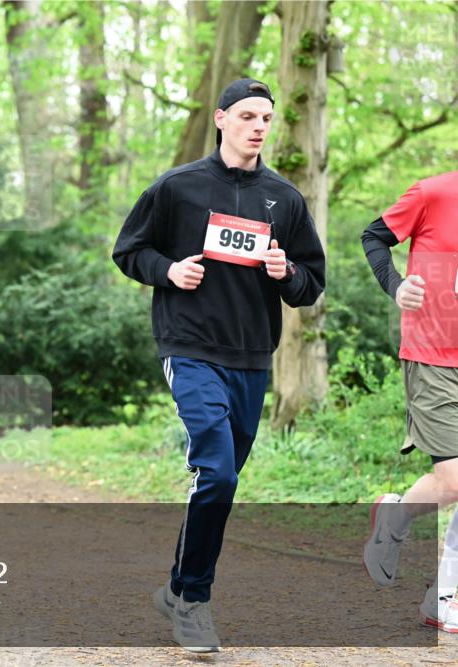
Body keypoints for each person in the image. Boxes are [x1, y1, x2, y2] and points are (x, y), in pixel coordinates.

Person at [111, 78, 326, 652]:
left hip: (253, 356)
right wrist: (169, 272)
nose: (260, 126)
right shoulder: (179, 187)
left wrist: (287, 273)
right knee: (218, 470)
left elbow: (311, 284)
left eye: (268, 118)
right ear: (221, 118)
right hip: (190, 347)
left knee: (222, 484)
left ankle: (180, 589)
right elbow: (129, 249)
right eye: (249, 115)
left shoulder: (284, 198)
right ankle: (196, 603)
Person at [360, 170, 458, 633]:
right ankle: (394, 517)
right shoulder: (434, 192)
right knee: (455, 480)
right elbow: (374, 237)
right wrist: (395, 285)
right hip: (434, 355)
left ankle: (444, 596)